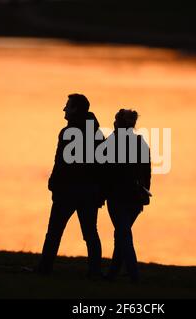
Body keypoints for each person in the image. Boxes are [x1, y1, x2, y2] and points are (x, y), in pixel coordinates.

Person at [35, 93, 104, 278]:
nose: (64, 109)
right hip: (88, 191)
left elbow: (61, 162)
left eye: (68, 106)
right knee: (90, 233)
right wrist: (99, 191)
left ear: (76, 110)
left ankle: (44, 269)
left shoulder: (68, 133)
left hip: (68, 191)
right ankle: (95, 272)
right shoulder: (96, 133)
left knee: (54, 232)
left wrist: (53, 184)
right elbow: (102, 165)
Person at [104, 109, 151, 283]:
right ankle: (113, 273)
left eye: (115, 121)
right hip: (135, 197)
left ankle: (134, 276)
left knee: (123, 235)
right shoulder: (141, 142)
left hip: (118, 197)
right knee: (122, 234)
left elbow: (105, 172)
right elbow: (147, 174)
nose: (113, 123)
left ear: (119, 123)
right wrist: (144, 194)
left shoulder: (113, 142)